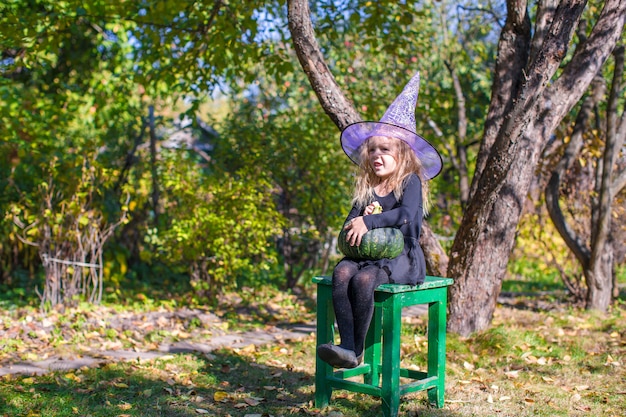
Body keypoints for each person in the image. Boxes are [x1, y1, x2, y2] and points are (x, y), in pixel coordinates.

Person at [317, 72, 442, 369]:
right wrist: (350, 229)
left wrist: (369, 223)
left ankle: (355, 350)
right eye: (372, 149)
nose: (377, 155)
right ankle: (345, 346)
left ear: (402, 154)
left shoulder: (409, 182)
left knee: (363, 280)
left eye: (385, 150)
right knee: (343, 272)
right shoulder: (367, 187)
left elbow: (406, 216)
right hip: (367, 256)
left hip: (400, 256)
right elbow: (353, 218)